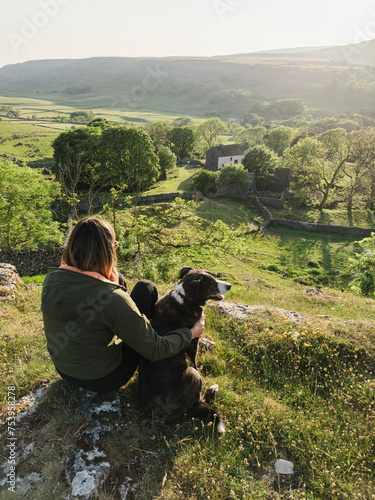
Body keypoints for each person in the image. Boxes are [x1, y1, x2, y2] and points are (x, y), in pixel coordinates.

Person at [41, 216, 205, 393]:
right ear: (110, 250)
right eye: (114, 246)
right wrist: (190, 333)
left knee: (124, 281)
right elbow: (156, 349)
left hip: (64, 370)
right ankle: (137, 330)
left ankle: (125, 327)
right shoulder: (113, 299)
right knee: (146, 287)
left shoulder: (51, 279)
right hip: (104, 379)